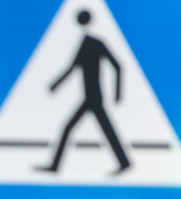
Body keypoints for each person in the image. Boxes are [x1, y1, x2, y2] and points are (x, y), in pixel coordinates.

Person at [39, 9, 131, 173]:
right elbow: (72, 68)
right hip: (89, 98)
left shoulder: (95, 43)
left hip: (94, 98)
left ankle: (55, 166)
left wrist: (118, 94)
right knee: (92, 129)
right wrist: (55, 85)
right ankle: (124, 162)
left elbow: (118, 66)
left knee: (76, 128)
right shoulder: (84, 44)